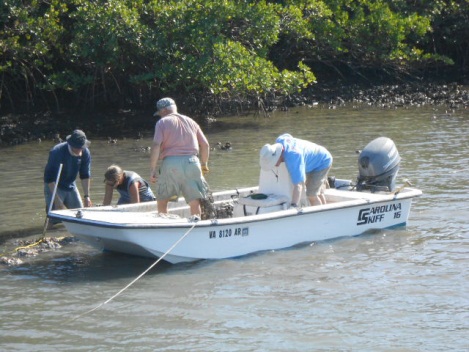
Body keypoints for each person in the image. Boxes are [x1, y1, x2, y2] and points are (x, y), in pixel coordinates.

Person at [149, 97, 210, 216]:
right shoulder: (191, 121)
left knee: (163, 199)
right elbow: (205, 145)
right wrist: (204, 164)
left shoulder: (162, 122)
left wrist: (152, 169)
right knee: (194, 200)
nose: (160, 116)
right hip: (193, 162)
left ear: (164, 110)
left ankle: (164, 226)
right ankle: (196, 224)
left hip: (171, 163)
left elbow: (156, 145)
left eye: (160, 113)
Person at [259, 133, 332, 207]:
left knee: (311, 194)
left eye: (273, 162)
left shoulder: (293, 158)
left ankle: (320, 216)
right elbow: (287, 136)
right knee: (317, 191)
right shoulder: (280, 140)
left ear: (278, 155)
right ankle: (326, 212)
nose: (275, 165)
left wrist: (293, 206)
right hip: (314, 157)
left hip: (322, 162)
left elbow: (298, 185)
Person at [43, 129, 93, 217]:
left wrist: (86, 196)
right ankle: (51, 226)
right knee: (55, 217)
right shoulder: (57, 152)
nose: (80, 150)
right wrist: (57, 200)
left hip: (70, 184)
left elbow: (85, 175)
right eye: (77, 147)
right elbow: (49, 178)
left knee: (80, 214)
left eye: (81, 147)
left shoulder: (85, 152)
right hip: (54, 185)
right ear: (71, 144)